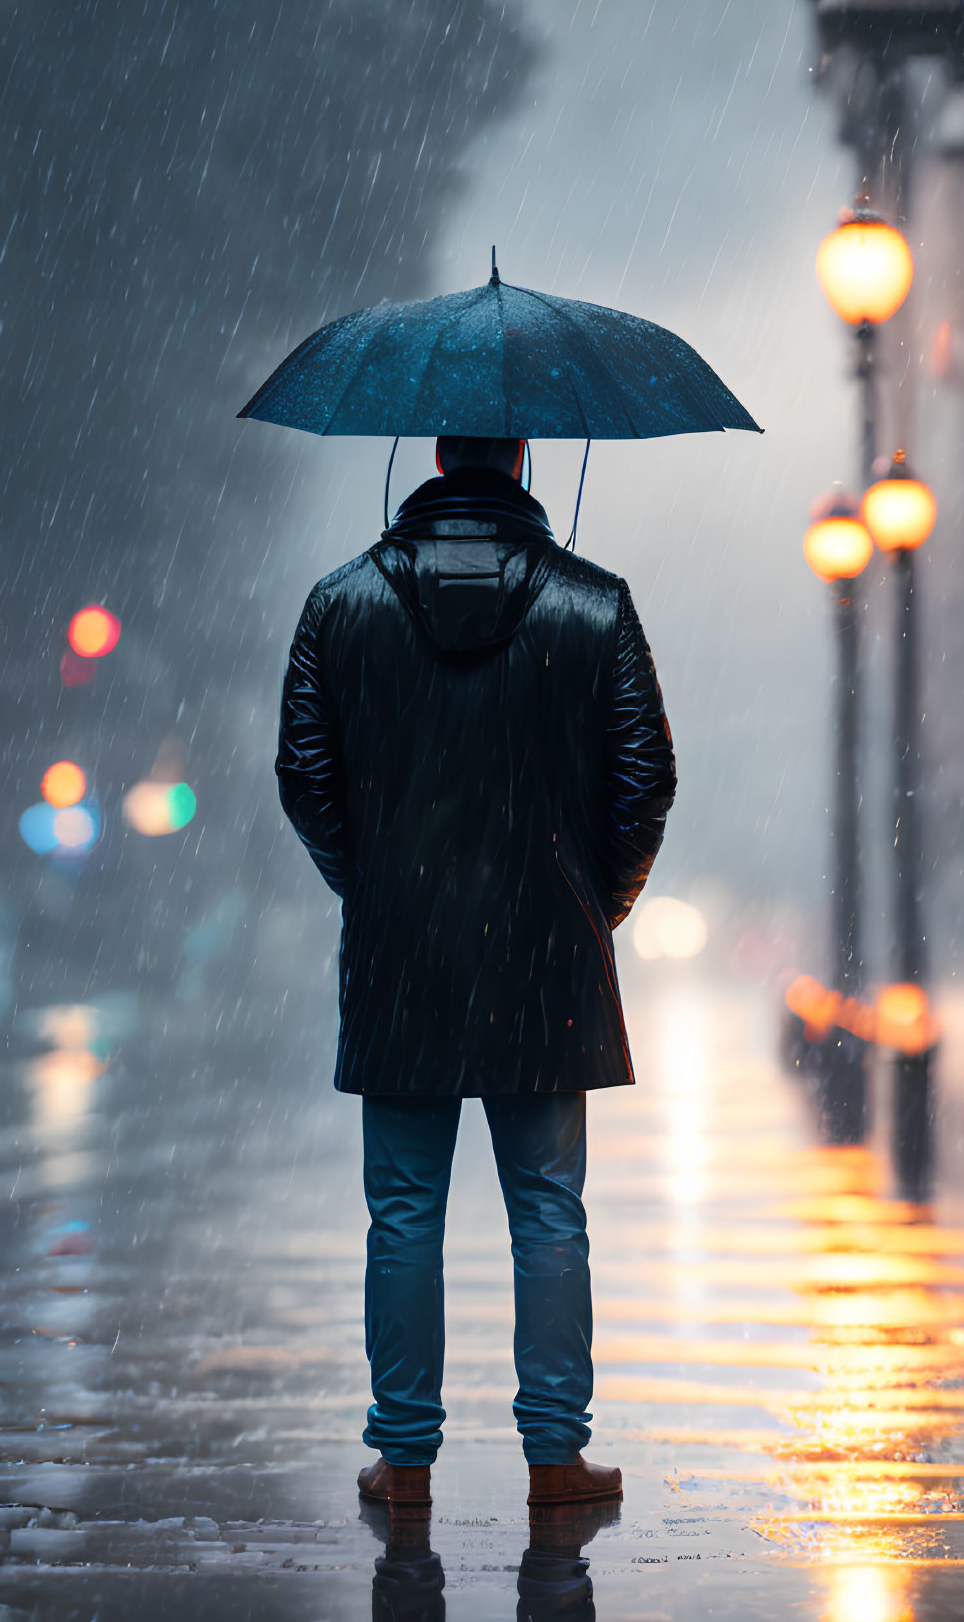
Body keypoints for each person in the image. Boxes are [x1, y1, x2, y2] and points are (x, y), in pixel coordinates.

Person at [275, 433, 677, 1510]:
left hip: (402, 956)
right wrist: (592, 904)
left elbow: (305, 779)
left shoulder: (340, 603)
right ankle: (555, 1460)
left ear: (438, 454)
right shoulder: (594, 606)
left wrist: (373, 888)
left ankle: (403, 1462)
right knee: (548, 1208)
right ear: (521, 459)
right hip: (547, 957)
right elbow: (645, 783)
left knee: (402, 1210)